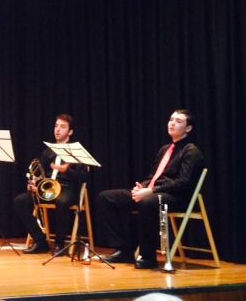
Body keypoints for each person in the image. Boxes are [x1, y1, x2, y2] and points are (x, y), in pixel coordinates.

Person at [97, 109, 204, 269]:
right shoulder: (165, 149)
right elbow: (154, 175)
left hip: (177, 198)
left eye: (178, 121)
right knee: (106, 197)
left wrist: (150, 191)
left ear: (188, 128)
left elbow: (183, 182)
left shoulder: (191, 151)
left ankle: (148, 257)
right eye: (171, 119)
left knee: (147, 201)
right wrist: (143, 186)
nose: (172, 123)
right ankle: (123, 250)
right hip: (155, 192)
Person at [13, 114, 88, 254]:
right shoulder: (48, 151)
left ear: (70, 132)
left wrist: (67, 171)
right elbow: (41, 173)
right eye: (56, 126)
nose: (58, 130)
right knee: (20, 201)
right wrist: (36, 184)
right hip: (48, 188)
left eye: (63, 127)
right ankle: (41, 241)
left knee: (62, 201)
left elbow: (83, 177)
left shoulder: (77, 152)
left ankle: (60, 245)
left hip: (67, 189)